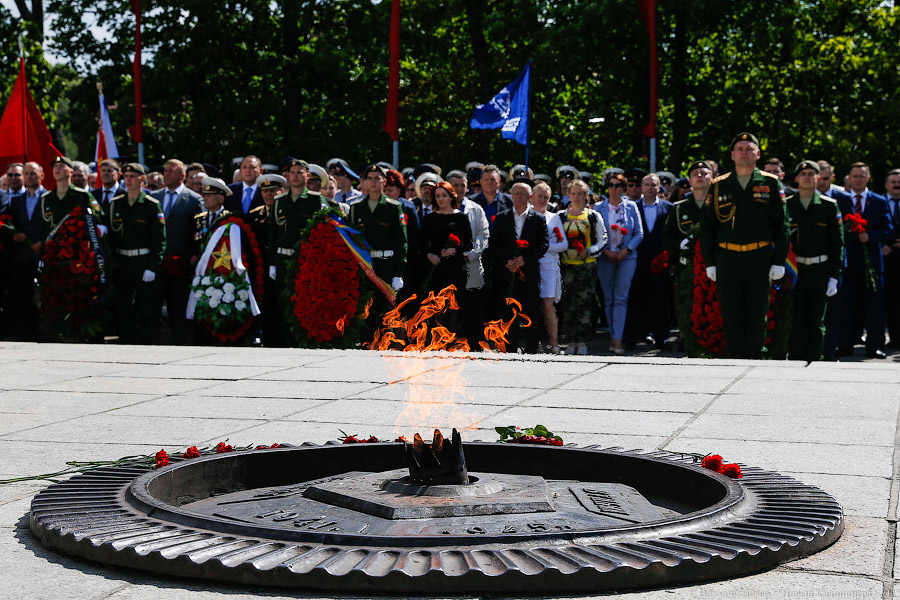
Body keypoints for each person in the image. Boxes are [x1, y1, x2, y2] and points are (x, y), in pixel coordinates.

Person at [699, 132, 790, 359]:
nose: (744, 153)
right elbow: (707, 227)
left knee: (757, 311)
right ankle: (734, 357)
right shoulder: (718, 185)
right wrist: (710, 262)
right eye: (739, 149)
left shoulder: (770, 183)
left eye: (749, 149)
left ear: (758, 154)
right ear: (732, 155)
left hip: (758, 256)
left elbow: (782, 225)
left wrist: (779, 261)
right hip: (727, 257)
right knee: (731, 311)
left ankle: (755, 356)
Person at [831, 162, 892, 358]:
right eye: (855, 176)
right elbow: (834, 229)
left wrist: (870, 237)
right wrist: (850, 235)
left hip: (871, 262)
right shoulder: (840, 200)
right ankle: (845, 345)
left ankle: (874, 345)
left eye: (862, 176)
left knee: (874, 305)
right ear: (849, 178)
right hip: (847, 260)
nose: (858, 180)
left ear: (868, 178)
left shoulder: (879, 201)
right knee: (845, 303)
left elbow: (887, 230)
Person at [785, 160, 844, 361]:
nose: (807, 177)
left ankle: (816, 359)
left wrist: (834, 276)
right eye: (803, 174)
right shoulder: (787, 205)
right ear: (796, 178)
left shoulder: (829, 206)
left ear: (818, 178)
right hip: (795, 270)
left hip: (820, 269)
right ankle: (795, 359)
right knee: (795, 317)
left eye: (812, 174)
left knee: (816, 319)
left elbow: (837, 244)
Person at [104, 163, 166, 345]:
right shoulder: (116, 204)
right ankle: (126, 340)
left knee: (147, 306)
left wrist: (153, 267)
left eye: (133, 176)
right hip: (122, 261)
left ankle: (148, 342)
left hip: (143, 260)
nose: (128, 180)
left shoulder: (151, 205)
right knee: (123, 305)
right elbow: (111, 236)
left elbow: (159, 240)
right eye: (126, 176)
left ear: (142, 179)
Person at [486, 180, 549, 354]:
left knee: (531, 310)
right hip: (507, 273)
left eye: (523, 194)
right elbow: (494, 244)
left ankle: (532, 348)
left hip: (529, 272)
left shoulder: (538, 218)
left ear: (530, 197)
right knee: (508, 310)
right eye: (516, 193)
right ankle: (509, 347)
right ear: (511, 196)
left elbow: (543, 244)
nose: (519, 197)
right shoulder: (502, 217)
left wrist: (524, 259)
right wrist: (507, 261)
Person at [268, 159, 321, 345]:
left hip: (304, 260)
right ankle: (286, 343)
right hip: (283, 257)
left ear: (307, 176)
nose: (296, 176)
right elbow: (272, 234)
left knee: (304, 301)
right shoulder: (279, 201)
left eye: (300, 172)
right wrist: (272, 263)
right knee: (283, 303)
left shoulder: (315, 200)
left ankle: (303, 341)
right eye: (292, 172)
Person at [150, 159, 204, 344]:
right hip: (157, 263)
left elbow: (198, 232)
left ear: (183, 175)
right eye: (165, 170)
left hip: (181, 264)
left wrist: (193, 255)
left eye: (171, 171)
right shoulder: (154, 197)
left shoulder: (193, 199)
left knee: (178, 307)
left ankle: (178, 341)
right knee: (154, 305)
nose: (166, 174)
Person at [348, 164, 408, 328]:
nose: (373, 182)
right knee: (364, 312)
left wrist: (398, 273)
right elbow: (352, 240)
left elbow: (401, 241)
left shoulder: (393, 207)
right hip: (364, 265)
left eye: (377, 178)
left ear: (384, 181)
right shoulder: (356, 208)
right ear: (365, 182)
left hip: (386, 265)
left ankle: (386, 342)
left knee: (386, 312)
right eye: (369, 178)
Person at [624, 173, 673, 350]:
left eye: (654, 184)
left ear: (659, 187)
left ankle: (662, 338)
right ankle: (632, 338)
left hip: (661, 262)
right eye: (647, 184)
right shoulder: (632, 207)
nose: (650, 187)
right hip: (637, 260)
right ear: (642, 187)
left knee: (660, 300)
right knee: (636, 299)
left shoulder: (669, 208)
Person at [595, 173, 642, 354]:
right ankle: (612, 333)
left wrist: (627, 250)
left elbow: (639, 233)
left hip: (626, 256)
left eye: (618, 186)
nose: (614, 189)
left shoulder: (631, 206)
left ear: (623, 188)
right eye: (611, 185)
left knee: (621, 297)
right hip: (605, 255)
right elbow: (594, 233)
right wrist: (605, 250)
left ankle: (618, 338)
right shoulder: (599, 207)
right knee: (608, 298)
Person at [416, 181, 473, 328]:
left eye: (444, 195)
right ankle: (437, 338)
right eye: (437, 196)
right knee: (437, 308)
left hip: (455, 269)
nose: (440, 199)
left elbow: (469, 244)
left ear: (451, 197)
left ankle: (452, 339)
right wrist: (429, 255)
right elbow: (421, 245)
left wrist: (456, 250)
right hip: (436, 268)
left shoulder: (461, 217)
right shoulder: (429, 219)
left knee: (454, 308)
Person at [533, 181, 576, 354]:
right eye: (540, 196)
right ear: (532, 197)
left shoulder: (554, 218)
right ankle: (535, 343)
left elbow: (563, 244)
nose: (542, 200)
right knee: (533, 304)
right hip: (530, 264)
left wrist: (543, 247)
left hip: (549, 265)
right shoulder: (526, 215)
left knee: (548, 304)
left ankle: (554, 343)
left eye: (546, 197)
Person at [249, 173, 285, 347]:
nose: (269, 194)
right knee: (266, 304)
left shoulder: (286, 212)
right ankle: (267, 339)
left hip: (283, 265)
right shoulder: (255, 214)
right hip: (262, 268)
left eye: (273, 191)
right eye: (265, 191)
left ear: (281, 191)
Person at [883, 169, 900, 348]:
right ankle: (893, 338)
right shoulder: (880, 202)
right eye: (893, 182)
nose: (896, 185)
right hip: (886, 258)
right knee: (890, 300)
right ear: (886, 185)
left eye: (899, 182)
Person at [471, 164, 512, 230]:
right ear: (480, 181)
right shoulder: (471, 202)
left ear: (499, 181)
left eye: (493, 179)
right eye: (486, 179)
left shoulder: (510, 201)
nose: (489, 182)